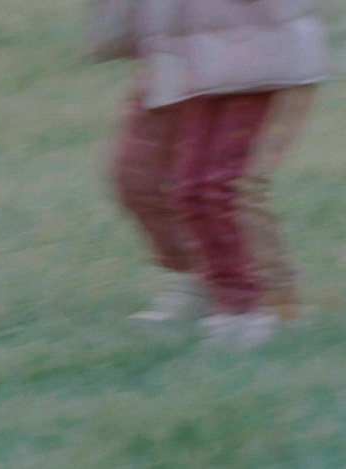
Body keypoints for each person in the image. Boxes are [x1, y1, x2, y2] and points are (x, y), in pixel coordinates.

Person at [84, 0, 331, 347]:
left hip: (252, 56)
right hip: (173, 54)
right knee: (139, 179)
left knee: (212, 187)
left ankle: (250, 305)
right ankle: (198, 279)